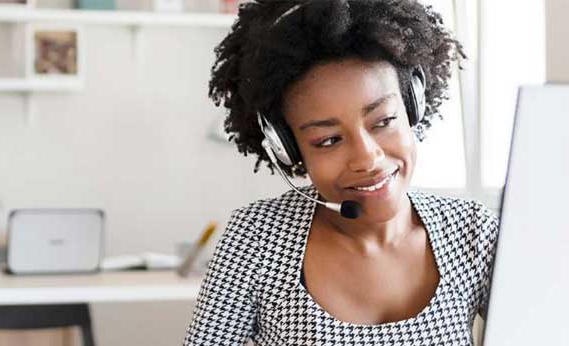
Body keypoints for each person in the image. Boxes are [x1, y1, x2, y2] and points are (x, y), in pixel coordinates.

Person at [184, 1, 499, 345]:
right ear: (287, 148)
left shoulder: (473, 232)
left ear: (412, 106)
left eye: (383, 122)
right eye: (329, 140)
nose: (367, 158)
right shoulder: (255, 241)